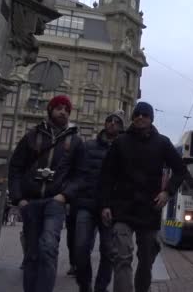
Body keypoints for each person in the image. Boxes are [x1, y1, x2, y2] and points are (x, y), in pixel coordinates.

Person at [99, 102, 192, 292]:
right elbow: (106, 175)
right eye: (137, 114)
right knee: (122, 257)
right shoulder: (120, 142)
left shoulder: (162, 143)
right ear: (133, 117)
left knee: (146, 260)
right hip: (122, 209)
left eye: (145, 115)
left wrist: (167, 192)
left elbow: (181, 170)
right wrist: (105, 204)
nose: (140, 117)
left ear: (151, 119)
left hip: (149, 210)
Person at [9, 95, 86, 292]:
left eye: (67, 110)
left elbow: (80, 175)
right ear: (50, 110)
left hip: (55, 202)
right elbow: (16, 167)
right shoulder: (32, 136)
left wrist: (65, 196)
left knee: (48, 248)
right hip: (31, 202)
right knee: (32, 254)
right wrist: (19, 199)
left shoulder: (76, 141)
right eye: (59, 108)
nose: (63, 112)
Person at [74, 111, 125, 292]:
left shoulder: (123, 149)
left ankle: (101, 287)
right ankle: (84, 284)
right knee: (80, 247)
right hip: (86, 203)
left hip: (111, 208)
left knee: (108, 251)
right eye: (109, 121)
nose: (112, 124)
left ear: (121, 126)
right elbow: (78, 172)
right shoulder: (88, 147)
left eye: (116, 122)